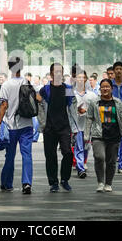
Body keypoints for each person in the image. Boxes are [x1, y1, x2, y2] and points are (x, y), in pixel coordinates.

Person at [37, 63, 79, 192]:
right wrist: (42, 123)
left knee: (67, 152)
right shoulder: (45, 90)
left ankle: (64, 180)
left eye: (60, 71)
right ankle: (53, 182)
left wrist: (75, 126)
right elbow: (40, 108)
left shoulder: (68, 89)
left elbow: (72, 107)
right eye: (55, 72)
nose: (58, 74)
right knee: (50, 156)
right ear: (51, 74)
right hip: (49, 127)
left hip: (64, 127)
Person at [85, 79, 122, 192]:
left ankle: (108, 183)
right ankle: (100, 182)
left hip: (114, 136)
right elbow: (89, 118)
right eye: (102, 87)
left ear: (111, 88)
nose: (105, 89)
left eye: (107, 87)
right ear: (99, 88)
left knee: (111, 161)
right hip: (98, 135)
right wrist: (86, 134)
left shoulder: (118, 102)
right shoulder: (94, 103)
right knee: (99, 157)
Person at [0, 57, 34, 194]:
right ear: (21, 67)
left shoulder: (6, 85)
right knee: (27, 154)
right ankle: (26, 183)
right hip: (27, 124)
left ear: (10, 67)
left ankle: (6, 183)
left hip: (11, 125)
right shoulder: (27, 82)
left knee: (10, 155)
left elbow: (4, 105)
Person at [73, 70, 97, 179]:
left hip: (89, 126)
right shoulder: (72, 94)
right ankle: (80, 169)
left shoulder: (92, 95)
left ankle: (83, 162)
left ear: (86, 79)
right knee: (79, 147)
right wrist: (77, 110)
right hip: (77, 125)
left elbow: (96, 110)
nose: (81, 79)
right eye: (78, 77)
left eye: (83, 77)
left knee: (86, 147)